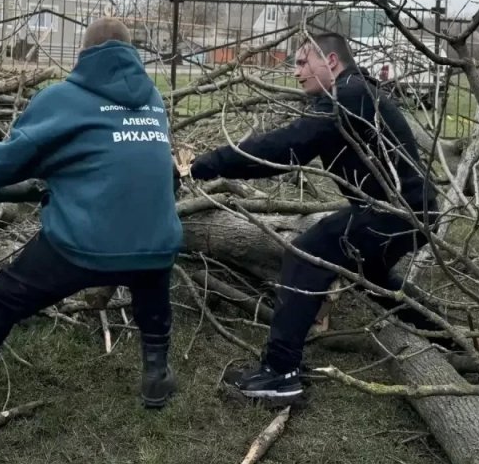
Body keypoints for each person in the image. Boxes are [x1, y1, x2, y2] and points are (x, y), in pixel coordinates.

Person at [0, 17, 183, 443]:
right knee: (147, 262)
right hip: (158, 238)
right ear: (130, 55)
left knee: (1, 296)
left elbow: (1, 163)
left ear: (83, 58)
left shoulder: (63, 98)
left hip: (85, 242)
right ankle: (156, 376)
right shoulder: (153, 98)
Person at [189, 31, 442, 400]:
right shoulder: (354, 94)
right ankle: (442, 335)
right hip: (405, 211)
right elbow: (295, 151)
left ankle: (280, 373)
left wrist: (209, 164)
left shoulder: (349, 95)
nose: (296, 72)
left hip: (398, 213)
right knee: (367, 272)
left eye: (303, 61)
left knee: (307, 253)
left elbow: (287, 146)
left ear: (333, 62)